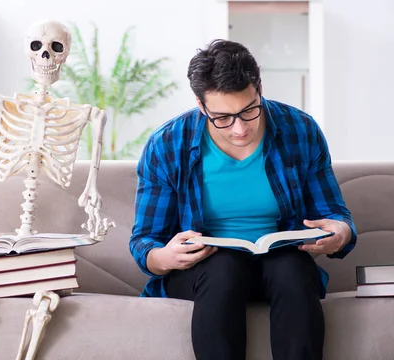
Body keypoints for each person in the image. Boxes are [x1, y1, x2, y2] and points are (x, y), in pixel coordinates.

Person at [129, 39, 356, 360]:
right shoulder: (167, 144)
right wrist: (164, 257)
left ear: (259, 88)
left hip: (280, 261)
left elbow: (335, 215)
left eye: (249, 110)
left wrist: (340, 233)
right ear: (200, 104)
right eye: (222, 117)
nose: (239, 129)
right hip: (205, 272)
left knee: (291, 270)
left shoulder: (300, 130)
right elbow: (144, 240)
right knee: (224, 267)